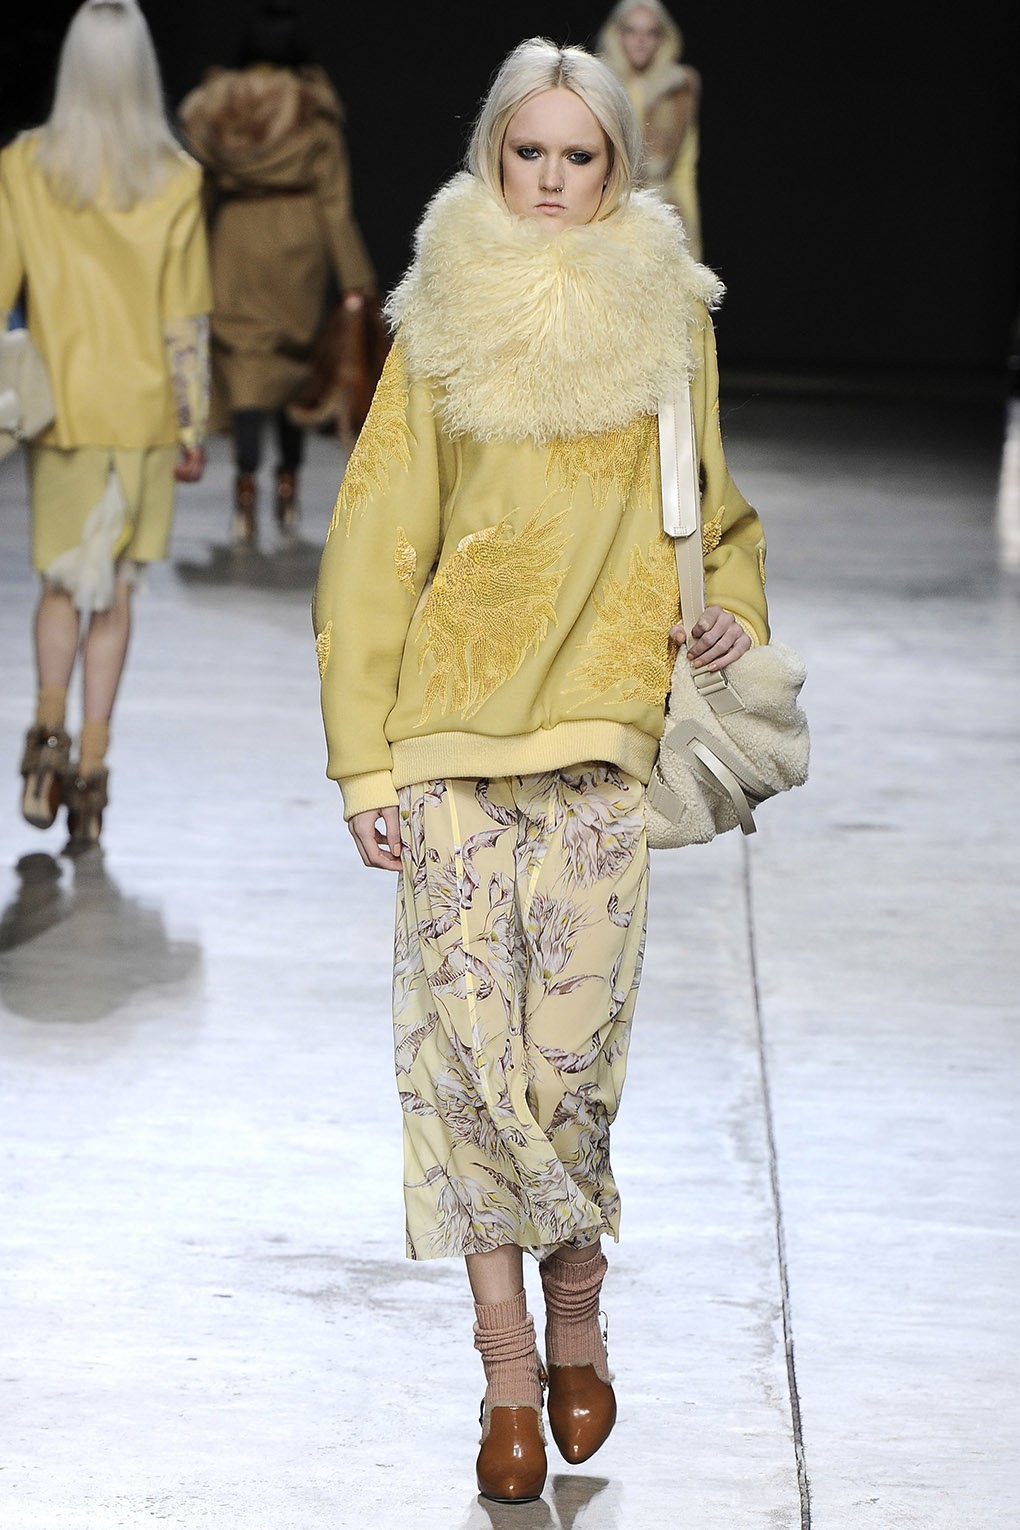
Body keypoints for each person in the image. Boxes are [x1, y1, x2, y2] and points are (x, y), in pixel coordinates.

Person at [311, 36, 769, 1504]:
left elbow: (720, 512)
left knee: (566, 1075)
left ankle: (579, 1304)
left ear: (619, 165)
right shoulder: (440, 314)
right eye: (531, 153)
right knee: (464, 1074)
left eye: (582, 156)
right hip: (446, 746)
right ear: (493, 157)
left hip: (600, 746)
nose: (554, 180)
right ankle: (509, 1369)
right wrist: (363, 766)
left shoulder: (668, 317)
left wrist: (731, 610)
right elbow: (376, 543)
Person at [0, 0, 212, 847]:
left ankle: (43, 749)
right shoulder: (176, 179)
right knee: (115, 597)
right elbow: (183, 318)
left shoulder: (24, 167)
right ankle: (91, 777)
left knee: (61, 586)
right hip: (145, 413)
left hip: (62, 411)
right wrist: (192, 425)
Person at [177, 0, 377, 544]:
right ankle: (288, 489)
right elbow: (334, 203)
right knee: (295, 366)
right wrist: (356, 282)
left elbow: (197, 190)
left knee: (246, 362)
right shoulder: (311, 105)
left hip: (235, 236)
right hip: (297, 238)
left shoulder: (213, 106)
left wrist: (182, 257)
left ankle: (244, 491)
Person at [597, 0, 703, 259]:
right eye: (631, 30)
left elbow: (684, 168)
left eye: (651, 32)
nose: (641, 41)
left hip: (664, 211)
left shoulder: (680, 88)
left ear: (663, 38)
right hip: (610, 209)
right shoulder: (599, 83)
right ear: (617, 35)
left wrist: (691, 236)